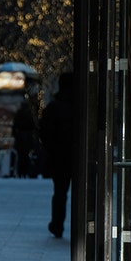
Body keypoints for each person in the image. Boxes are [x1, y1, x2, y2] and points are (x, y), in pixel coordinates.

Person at [39, 72, 77, 238]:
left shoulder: (54, 107)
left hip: (59, 157)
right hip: (76, 156)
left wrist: (51, 150)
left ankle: (57, 224)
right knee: (80, 193)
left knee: (60, 192)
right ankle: (80, 225)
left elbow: (44, 132)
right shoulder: (80, 108)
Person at [12, 101, 38, 178]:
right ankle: (25, 172)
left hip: (20, 137)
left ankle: (20, 172)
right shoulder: (29, 114)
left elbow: (14, 125)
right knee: (26, 156)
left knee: (20, 156)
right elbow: (33, 126)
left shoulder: (18, 114)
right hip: (27, 138)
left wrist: (14, 134)